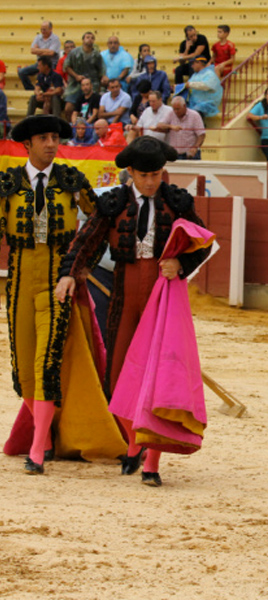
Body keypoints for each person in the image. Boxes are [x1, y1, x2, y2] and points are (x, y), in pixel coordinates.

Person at [56, 136, 213, 487]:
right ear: (130, 172)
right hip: (123, 293)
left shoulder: (176, 201)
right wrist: (69, 273)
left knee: (159, 376)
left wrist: (181, 262)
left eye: (157, 174)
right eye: (144, 175)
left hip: (163, 292)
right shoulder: (113, 202)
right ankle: (132, 443)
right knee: (120, 373)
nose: (151, 181)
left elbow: (205, 242)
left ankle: (150, 460)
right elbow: (88, 241)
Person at [1, 115, 126, 474]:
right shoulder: (7, 184)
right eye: (43, 138)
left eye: (55, 137)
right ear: (28, 145)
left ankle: (38, 449)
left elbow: (100, 220)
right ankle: (48, 436)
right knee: (23, 369)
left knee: (46, 365)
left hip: (59, 283)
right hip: (20, 283)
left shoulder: (72, 180)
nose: (51, 144)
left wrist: (82, 262)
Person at [63, 32, 105, 123]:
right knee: (68, 108)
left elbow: (101, 70)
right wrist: (76, 76)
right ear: (83, 39)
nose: (89, 39)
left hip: (92, 83)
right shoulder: (74, 52)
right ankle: (71, 127)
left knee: (91, 109)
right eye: (87, 37)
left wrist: (103, 78)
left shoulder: (97, 55)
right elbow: (66, 66)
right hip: (75, 84)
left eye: (92, 38)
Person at [18, 21, 61, 91]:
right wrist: (46, 50)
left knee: (44, 76)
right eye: (41, 29)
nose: (42, 31)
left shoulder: (55, 39)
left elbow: (51, 53)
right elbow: (32, 51)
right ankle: (30, 89)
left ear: (50, 29)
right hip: (40, 63)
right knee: (22, 72)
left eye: (44, 29)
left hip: (51, 64)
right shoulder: (38, 37)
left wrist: (38, 50)